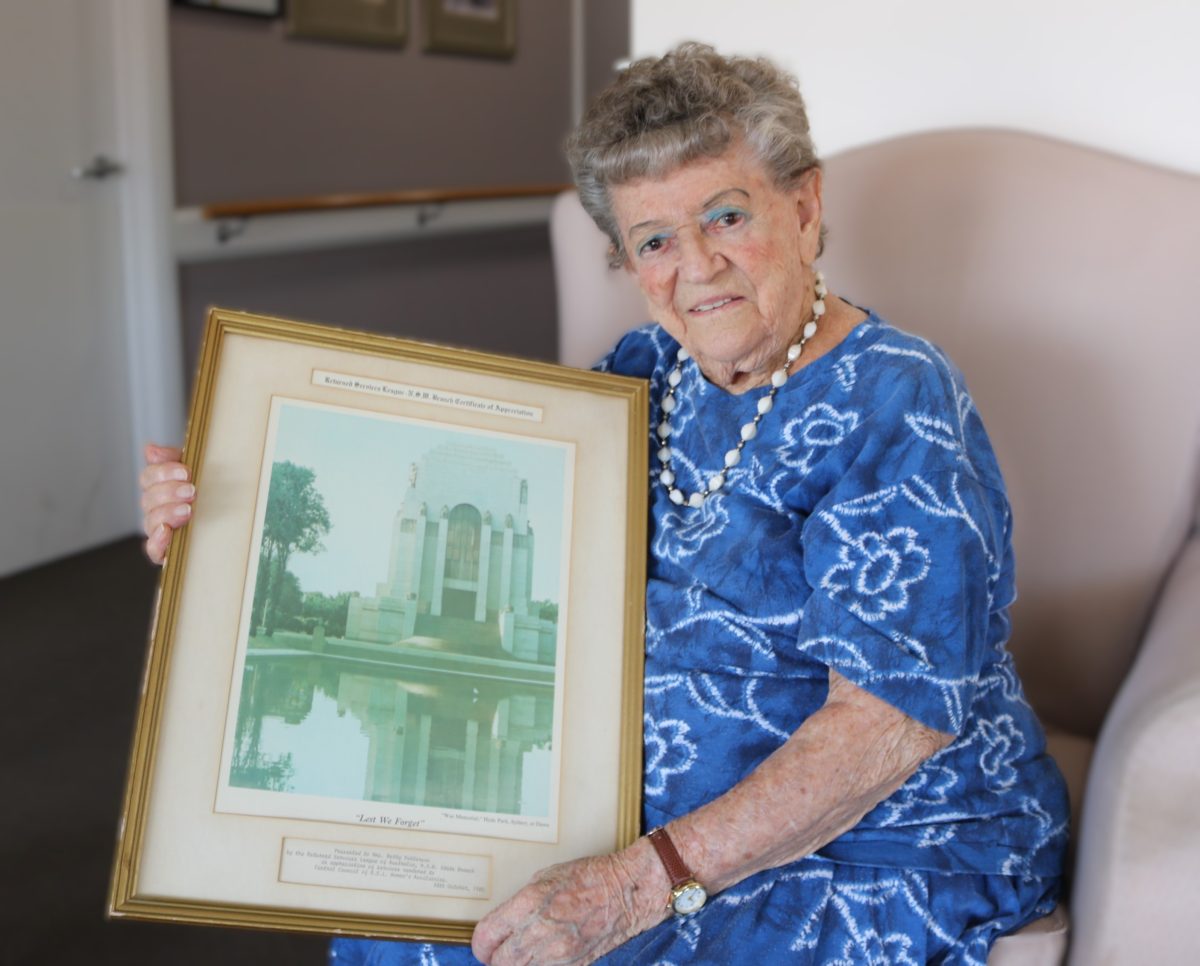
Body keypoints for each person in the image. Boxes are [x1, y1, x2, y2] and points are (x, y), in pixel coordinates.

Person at [140, 43, 1068, 966]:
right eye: (654, 239)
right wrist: (225, 511)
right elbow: (486, 503)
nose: (696, 265)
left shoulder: (895, 397)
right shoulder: (643, 374)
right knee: (393, 919)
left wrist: (633, 883)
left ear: (805, 206)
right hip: (640, 816)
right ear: (627, 261)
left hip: (881, 839)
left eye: (726, 215)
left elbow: (884, 727)